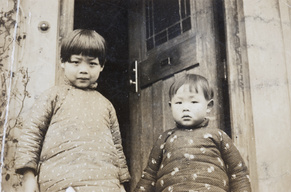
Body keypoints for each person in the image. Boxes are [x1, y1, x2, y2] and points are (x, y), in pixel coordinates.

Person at [15, 29, 130, 192]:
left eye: (92, 64)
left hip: (104, 183)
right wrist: (28, 177)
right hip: (61, 181)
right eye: (76, 62)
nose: (84, 70)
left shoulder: (106, 105)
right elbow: (32, 135)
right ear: (63, 62)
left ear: (102, 66)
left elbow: (117, 148)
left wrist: (121, 184)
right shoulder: (52, 97)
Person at [134, 74, 251, 192]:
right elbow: (149, 176)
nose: (185, 108)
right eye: (179, 103)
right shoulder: (165, 138)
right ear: (171, 106)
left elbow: (238, 173)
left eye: (194, 102)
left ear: (209, 106)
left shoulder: (218, 136)